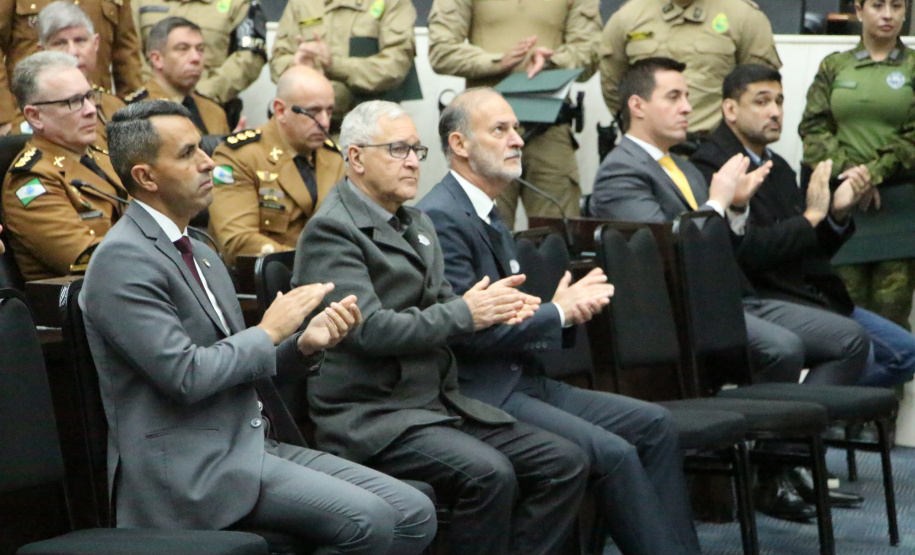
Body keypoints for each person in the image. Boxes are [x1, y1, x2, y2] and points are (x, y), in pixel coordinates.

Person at [80, 99, 437, 553]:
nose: (208, 161)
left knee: (414, 512)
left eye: (201, 148)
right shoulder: (123, 258)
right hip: (190, 470)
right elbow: (186, 377)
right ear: (146, 177)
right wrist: (269, 332)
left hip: (251, 443)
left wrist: (302, 346)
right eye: (188, 153)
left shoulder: (201, 250)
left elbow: (237, 367)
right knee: (370, 520)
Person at [293, 100, 589, 555]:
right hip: (374, 417)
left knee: (564, 461)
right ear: (356, 158)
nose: (413, 161)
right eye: (397, 150)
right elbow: (369, 330)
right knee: (489, 474)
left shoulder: (416, 223)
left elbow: (446, 304)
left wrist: (501, 307)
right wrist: (468, 313)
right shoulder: (332, 231)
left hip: (435, 404)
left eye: (416, 150)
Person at [417, 87, 700, 555]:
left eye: (516, 129)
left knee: (655, 424)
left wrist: (561, 312)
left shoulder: (486, 211)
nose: (517, 140)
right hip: (483, 392)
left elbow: (508, 312)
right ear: (459, 144)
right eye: (500, 130)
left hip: (525, 378)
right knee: (613, 452)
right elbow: (467, 333)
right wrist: (557, 311)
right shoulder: (441, 216)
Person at [589, 57, 870, 520]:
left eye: (686, 96)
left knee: (849, 339)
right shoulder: (620, 172)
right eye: (674, 97)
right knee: (782, 348)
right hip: (685, 311)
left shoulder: (683, 166)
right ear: (637, 106)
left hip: (733, 294)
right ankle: (769, 473)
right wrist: (719, 203)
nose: (687, 107)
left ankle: (779, 462)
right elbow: (662, 254)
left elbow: (724, 246)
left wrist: (734, 209)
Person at [694, 64, 915, 389]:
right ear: (730, 109)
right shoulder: (714, 166)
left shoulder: (778, 166)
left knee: (906, 353)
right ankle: (805, 414)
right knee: (861, 350)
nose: (775, 112)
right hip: (768, 298)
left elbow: (807, 247)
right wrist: (811, 217)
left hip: (809, 294)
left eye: (779, 102)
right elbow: (747, 252)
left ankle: (811, 408)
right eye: (761, 101)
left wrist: (836, 214)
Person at [427, 0, 601, 229]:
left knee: (559, 233)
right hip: (485, 132)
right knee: (483, 230)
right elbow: (441, 51)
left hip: (549, 128)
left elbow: (591, 53)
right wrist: (498, 61)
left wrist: (553, 61)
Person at [799, 0, 915, 330]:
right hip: (843, 205)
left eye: (897, 6)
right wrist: (850, 173)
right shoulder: (835, 65)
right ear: (859, 10)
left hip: (899, 204)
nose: (888, 14)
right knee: (843, 314)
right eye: (877, 5)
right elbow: (813, 128)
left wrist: (872, 174)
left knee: (891, 319)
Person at [2, 51, 128, 281]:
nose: (91, 109)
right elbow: (93, 261)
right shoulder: (31, 181)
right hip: (92, 296)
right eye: (74, 102)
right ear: (35, 116)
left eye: (89, 96)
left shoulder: (104, 158)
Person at [208, 65, 343, 267]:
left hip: (330, 272)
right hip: (264, 277)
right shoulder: (239, 156)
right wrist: (311, 264)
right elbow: (237, 242)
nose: (324, 122)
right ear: (280, 111)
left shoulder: (334, 158)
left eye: (329, 111)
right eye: (313, 112)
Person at [600, 0, 780, 136]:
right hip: (651, 152)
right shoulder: (628, 17)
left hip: (719, 149)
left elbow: (761, 90)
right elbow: (615, 87)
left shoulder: (743, 17)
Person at [269, 0, 416, 130]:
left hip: (369, 130)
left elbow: (394, 66)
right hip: (305, 130)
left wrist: (334, 65)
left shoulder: (392, 2)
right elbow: (277, 63)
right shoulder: (302, 3)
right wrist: (297, 68)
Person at [0, 0, 142, 135]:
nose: (72, 52)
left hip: (99, 109)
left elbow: (126, 54)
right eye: (60, 43)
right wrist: (3, 117)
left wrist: (136, 113)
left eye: (80, 40)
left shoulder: (113, 108)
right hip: (29, 113)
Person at [132, 0, 266, 122]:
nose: (195, 57)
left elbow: (250, 57)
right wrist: (153, 91)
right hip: (145, 107)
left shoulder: (238, 3)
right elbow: (130, 51)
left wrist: (204, 93)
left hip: (212, 107)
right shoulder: (137, 2)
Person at [126, 17, 230, 136]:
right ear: (157, 59)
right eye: (183, 49)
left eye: (200, 49)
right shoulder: (136, 111)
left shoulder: (214, 112)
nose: (196, 58)